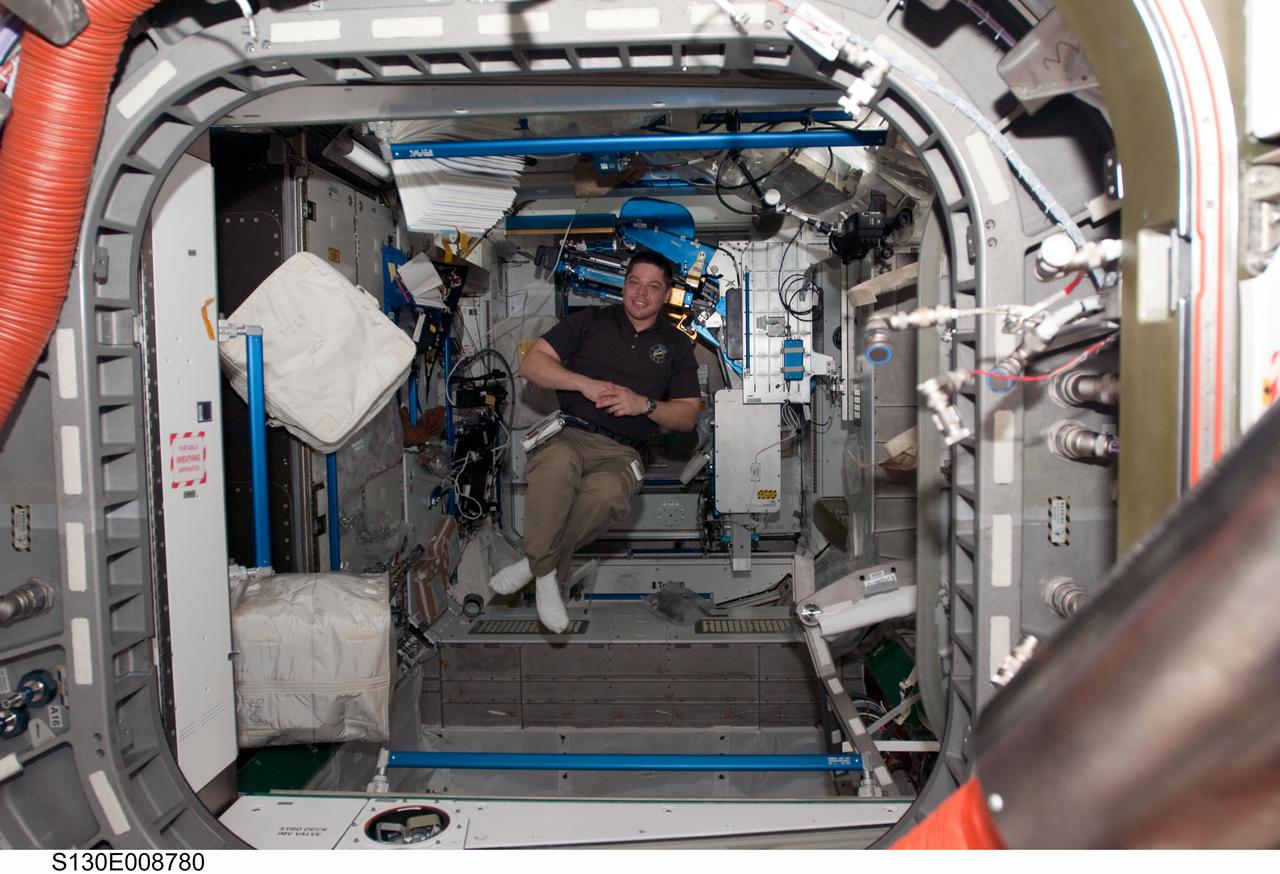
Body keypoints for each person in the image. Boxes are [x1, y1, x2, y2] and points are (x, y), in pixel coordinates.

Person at [489, 251, 703, 632]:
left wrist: (644, 404)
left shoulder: (676, 345)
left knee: (606, 493)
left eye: (653, 287)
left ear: (666, 294)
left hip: (623, 451)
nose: (641, 293)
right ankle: (547, 574)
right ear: (624, 285)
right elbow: (533, 364)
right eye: (635, 282)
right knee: (555, 466)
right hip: (570, 431)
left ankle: (536, 564)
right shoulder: (589, 322)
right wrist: (583, 383)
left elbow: (687, 416)